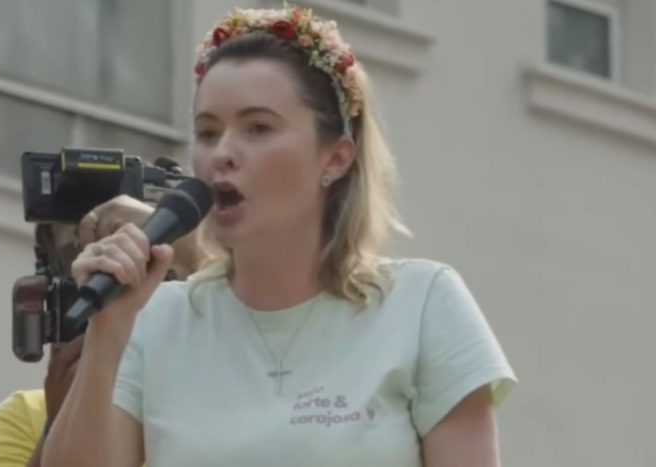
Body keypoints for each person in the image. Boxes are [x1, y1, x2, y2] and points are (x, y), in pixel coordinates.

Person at [43, 5, 517, 467]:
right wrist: (108, 330)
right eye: (208, 132)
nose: (223, 153)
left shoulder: (423, 305)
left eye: (258, 128)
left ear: (336, 158)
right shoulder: (155, 320)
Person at [0, 194, 202, 467]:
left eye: (149, 266)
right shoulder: (25, 417)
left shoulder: (226, 422)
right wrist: (59, 428)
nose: (112, 285)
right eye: (78, 263)